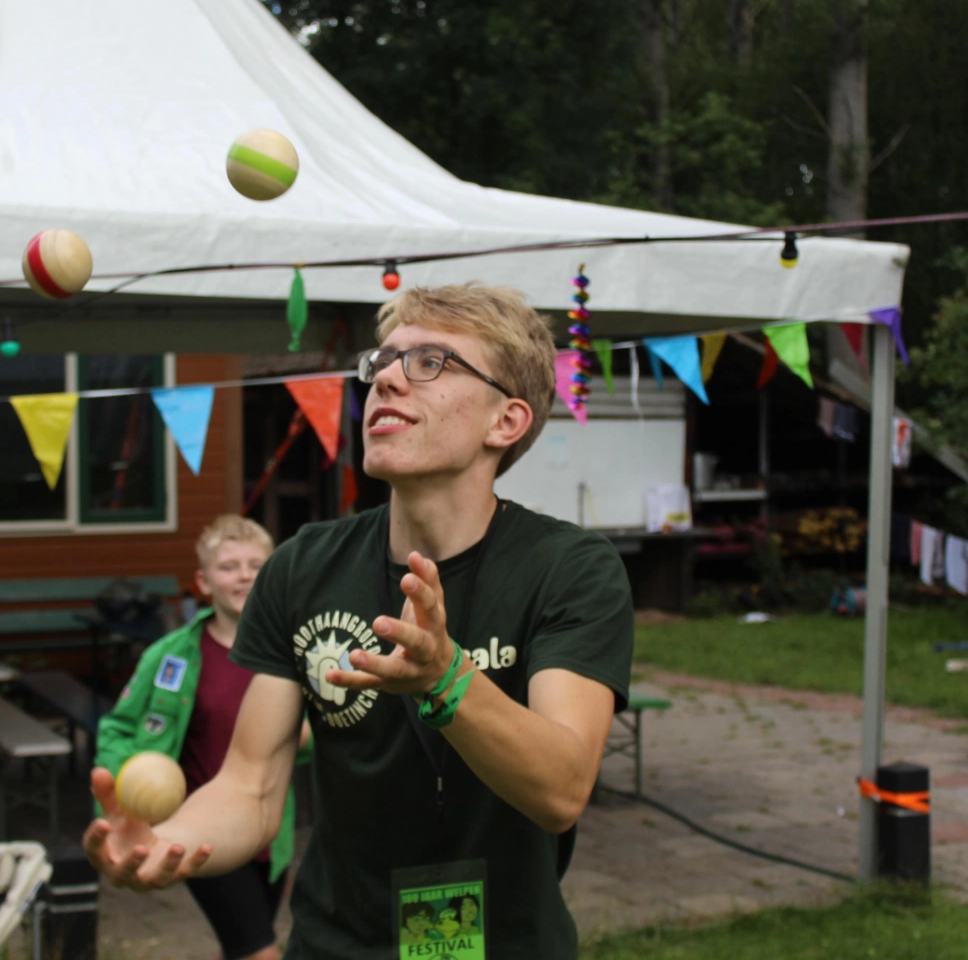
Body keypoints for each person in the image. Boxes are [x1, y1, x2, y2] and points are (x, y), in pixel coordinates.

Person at [85, 283, 633, 960]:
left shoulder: (569, 568)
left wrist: (446, 679)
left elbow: (562, 788)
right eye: (385, 361)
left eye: (431, 362)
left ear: (506, 421)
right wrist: (168, 841)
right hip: (333, 943)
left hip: (508, 945)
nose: (389, 380)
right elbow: (250, 787)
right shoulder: (302, 565)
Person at [96, 515, 299, 960]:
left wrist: (306, 738)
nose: (244, 575)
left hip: (272, 831)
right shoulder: (170, 656)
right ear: (203, 583)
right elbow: (119, 730)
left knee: (243, 942)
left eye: (256, 565)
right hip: (200, 827)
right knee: (260, 951)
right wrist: (121, 802)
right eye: (229, 567)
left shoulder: (291, 654)